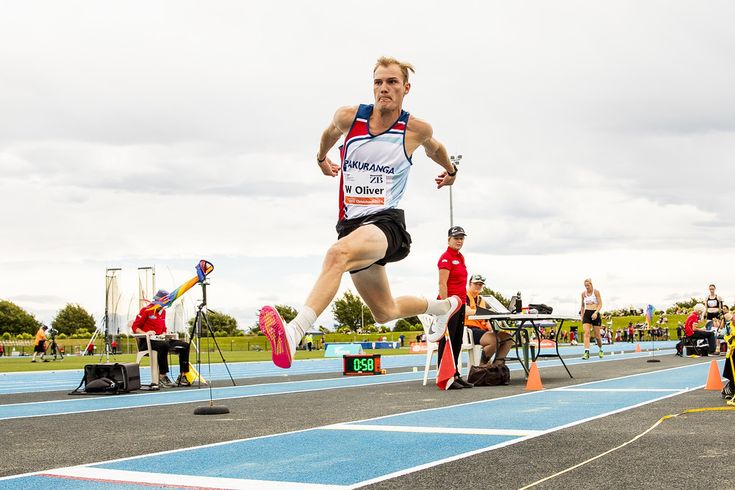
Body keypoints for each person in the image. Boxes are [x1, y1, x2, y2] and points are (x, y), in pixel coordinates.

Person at [258, 57, 463, 369]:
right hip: (352, 228)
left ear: (406, 88)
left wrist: (450, 170)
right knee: (385, 311)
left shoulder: (415, 128)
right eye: (379, 82)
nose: (384, 88)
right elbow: (328, 133)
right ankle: (443, 307)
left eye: (392, 82)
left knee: (336, 255)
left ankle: (293, 332)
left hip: (386, 224)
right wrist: (321, 157)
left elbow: (435, 148)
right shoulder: (349, 117)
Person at [435, 226, 473, 389]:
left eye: (461, 238)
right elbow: (442, 283)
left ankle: (455, 373)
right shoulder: (446, 258)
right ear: (449, 239)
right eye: (456, 238)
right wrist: (445, 306)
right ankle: (444, 375)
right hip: (449, 305)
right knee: (447, 342)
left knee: (457, 341)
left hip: (460, 304)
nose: (459, 241)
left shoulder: (461, 257)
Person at [131, 289, 191, 387]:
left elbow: (164, 328)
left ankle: (182, 376)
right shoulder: (146, 310)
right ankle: (162, 376)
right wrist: (146, 333)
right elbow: (135, 327)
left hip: (161, 339)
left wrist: (164, 333)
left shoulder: (163, 312)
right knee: (164, 345)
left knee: (184, 345)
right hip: (147, 342)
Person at [464, 273, 514, 367]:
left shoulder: (481, 299)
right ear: (470, 284)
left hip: (482, 330)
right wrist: (483, 313)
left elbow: (486, 321)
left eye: (480, 284)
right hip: (468, 330)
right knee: (493, 339)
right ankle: (481, 366)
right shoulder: (464, 296)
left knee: (508, 338)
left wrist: (493, 327)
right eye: (476, 284)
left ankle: (497, 366)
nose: (479, 286)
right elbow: (466, 311)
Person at [580, 278, 603, 359]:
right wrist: (582, 316)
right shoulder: (583, 294)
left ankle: (600, 349)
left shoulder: (596, 292)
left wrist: (596, 312)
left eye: (588, 285)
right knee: (586, 333)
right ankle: (586, 352)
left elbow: (600, 304)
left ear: (591, 284)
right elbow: (582, 306)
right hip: (587, 314)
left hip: (595, 314)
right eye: (585, 285)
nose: (586, 287)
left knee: (597, 336)